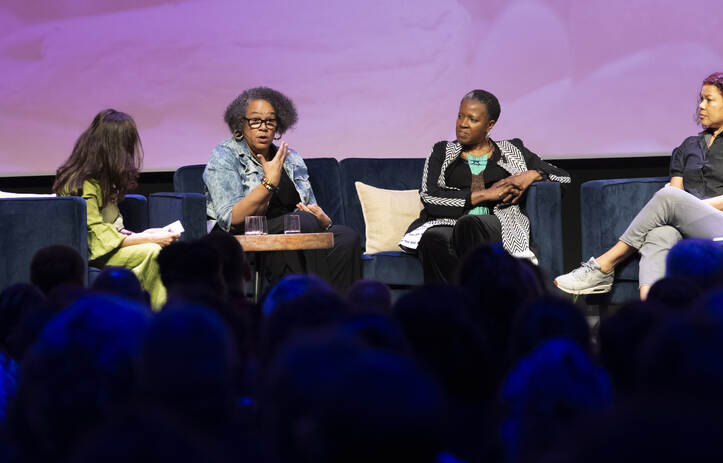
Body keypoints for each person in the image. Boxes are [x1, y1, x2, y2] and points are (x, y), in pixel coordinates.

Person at [555, 72, 723, 300]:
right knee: (660, 233)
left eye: (709, 100)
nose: (701, 106)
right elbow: (676, 193)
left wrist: (691, 206)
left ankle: (605, 265)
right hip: (691, 223)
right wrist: (683, 207)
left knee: (669, 198)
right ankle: (650, 310)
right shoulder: (688, 146)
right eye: (701, 99)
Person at [399, 89, 571, 283]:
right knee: (434, 237)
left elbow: (563, 178)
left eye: (472, 119)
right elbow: (430, 197)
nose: (463, 124)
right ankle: (449, 307)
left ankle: (480, 304)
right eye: (460, 116)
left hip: (497, 223)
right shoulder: (443, 151)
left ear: (490, 125)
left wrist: (532, 174)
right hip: (448, 221)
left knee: (470, 224)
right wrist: (486, 194)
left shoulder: (513, 150)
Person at [203, 87, 361, 293]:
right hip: (247, 235)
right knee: (303, 223)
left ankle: (339, 312)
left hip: (295, 229)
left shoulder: (290, 158)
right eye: (255, 120)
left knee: (347, 237)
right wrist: (268, 183)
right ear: (241, 123)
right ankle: (318, 306)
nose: (263, 127)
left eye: (270, 121)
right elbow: (231, 219)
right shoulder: (225, 155)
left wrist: (324, 220)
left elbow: (309, 209)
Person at [53, 109, 179, 309]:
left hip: (107, 248)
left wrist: (146, 233)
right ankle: (157, 320)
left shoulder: (102, 179)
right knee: (153, 251)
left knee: (166, 249)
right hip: (91, 253)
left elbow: (112, 229)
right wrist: (149, 239)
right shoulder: (83, 183)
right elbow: (96, 237)